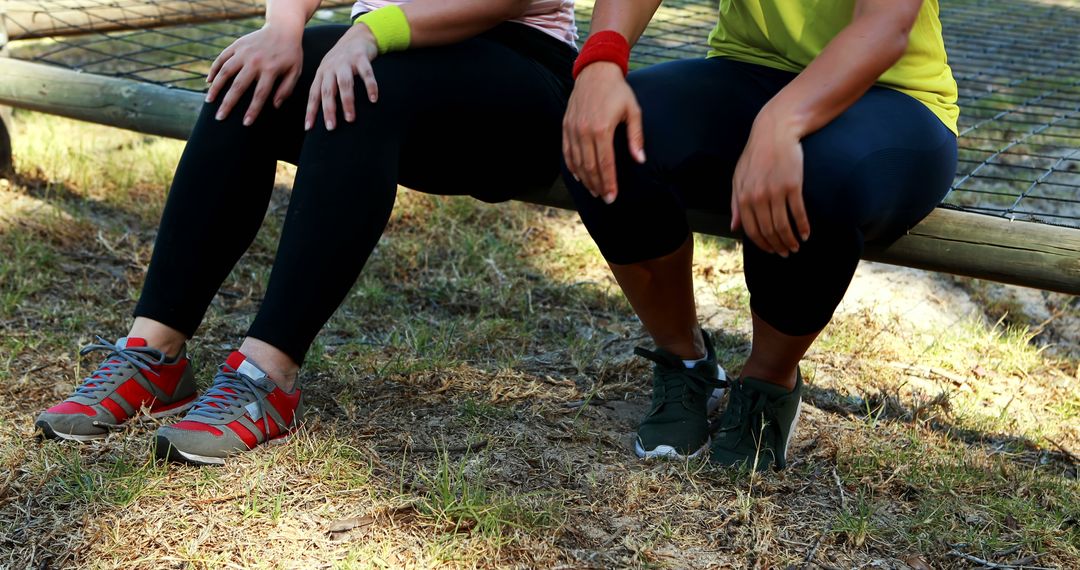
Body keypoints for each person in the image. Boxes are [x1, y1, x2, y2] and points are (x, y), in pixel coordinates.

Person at [35, 0, 577, 465]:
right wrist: (282, 30)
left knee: (363, 87)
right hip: (378, 49)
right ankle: (155, 353)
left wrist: (369, 33)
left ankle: (268, 374)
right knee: (248, 79)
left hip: (518, 68)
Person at [563, 0, 958, 469]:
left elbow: (885, 24)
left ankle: (770, 381)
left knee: (816, 178)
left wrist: (780, 121)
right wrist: (602, 59)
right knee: (608, 139)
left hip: (893, 94)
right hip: (748, 70)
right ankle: (686, 361)